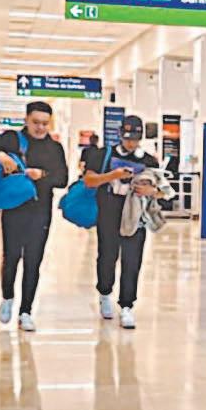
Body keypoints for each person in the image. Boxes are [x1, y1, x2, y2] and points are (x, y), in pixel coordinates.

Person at [0, 102, 68, 332]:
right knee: (11, 257)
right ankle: (7, 297)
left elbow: (62, 179)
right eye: (36, 122)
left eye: (45, 123)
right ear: (26, 120)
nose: (40, 127)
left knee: (33, 261)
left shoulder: (54, 148)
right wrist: (1, 154)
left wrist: (41, 174)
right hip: (14, 208)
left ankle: (26, 311)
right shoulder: (12, 139)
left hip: (41, 210)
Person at [82, 115, 163, 329]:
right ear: (119, 135)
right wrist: (112, 175)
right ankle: (104, 292)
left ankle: (127, 305)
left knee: (132, 260)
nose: (130, 143)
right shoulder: (102, 155)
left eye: (135, 138)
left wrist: (151, 190)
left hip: (135, 215)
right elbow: (89, 180)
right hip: (109, 212)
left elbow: (163, 190)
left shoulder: (149, 160)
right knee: (107, 256)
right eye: (127, 138)